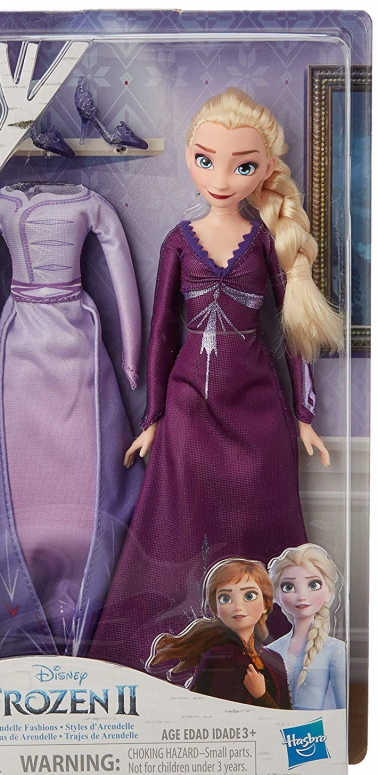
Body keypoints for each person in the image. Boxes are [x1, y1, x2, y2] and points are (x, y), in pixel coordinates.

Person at [87, 87, 342, 673]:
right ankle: (165, 661)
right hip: (189, 406)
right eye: (206, 160)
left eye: (242, 166)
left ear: (266, 170)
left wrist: (303, 416)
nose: (222, 178)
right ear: (189, 157)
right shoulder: (180, 241)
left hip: (257, 412)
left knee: (256, 526)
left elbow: (295, 331)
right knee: (175, 530)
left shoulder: (268, 243)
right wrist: (154, 416)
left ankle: (265, 664)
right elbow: (161, 334)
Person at [148, 558, 291, 708]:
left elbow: (287, 715)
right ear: (215, 608)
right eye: (225, 598)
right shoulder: (220, 658)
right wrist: (261, 696)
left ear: (265, 604)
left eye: (249, 596)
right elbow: (216, 714)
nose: (238, 606)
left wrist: (262, 696)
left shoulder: (273, 659)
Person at [267, 544, 346, 710]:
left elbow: (342, 710)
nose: (302, 596)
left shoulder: (335, 650)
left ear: (329, 592)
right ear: (277, 595)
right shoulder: (271, 650)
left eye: (313, 585)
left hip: (317, 726)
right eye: (288, 587)